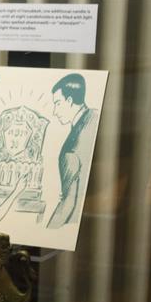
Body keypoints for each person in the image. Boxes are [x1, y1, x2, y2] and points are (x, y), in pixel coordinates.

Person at [47, 73, 99, 228]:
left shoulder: (70, 149)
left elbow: (68, 203)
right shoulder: (95, 115)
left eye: (57, 103)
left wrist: (49, 230)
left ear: (69, 101)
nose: (54, 111)